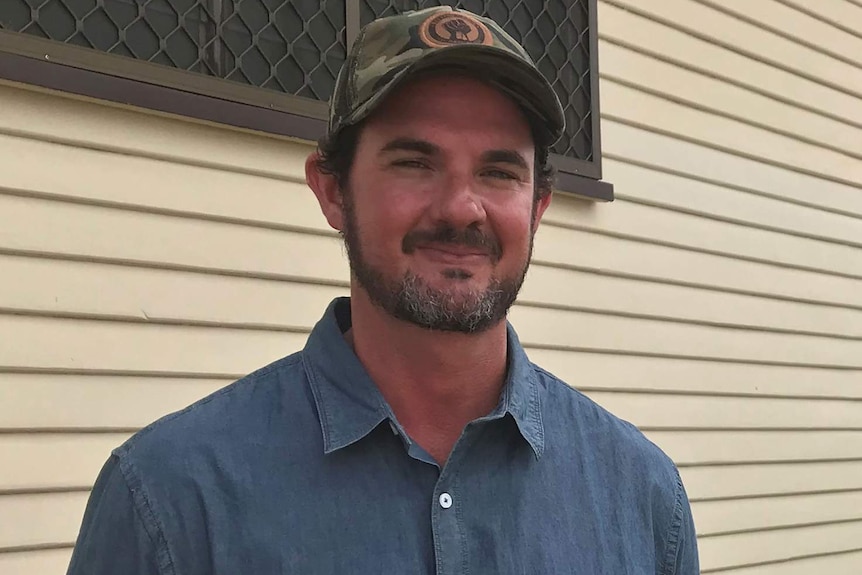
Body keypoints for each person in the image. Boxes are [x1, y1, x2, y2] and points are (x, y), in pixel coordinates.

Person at [67, 6, 699, 574]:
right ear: (333, 190)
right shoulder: (170, 501)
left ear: (537, 209)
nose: (461, 208)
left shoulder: (642, 499)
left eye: (499, 171)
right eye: (413, 163)